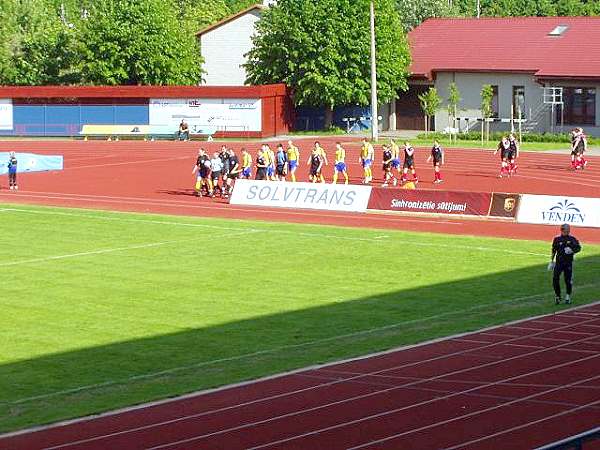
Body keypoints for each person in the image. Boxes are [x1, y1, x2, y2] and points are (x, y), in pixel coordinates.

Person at [549, 223, 581, 305]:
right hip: (559, 263)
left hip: (568, 263)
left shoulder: (572, 239)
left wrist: (572, 250)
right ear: (562, 230)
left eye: (568, 230)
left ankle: (568, 296)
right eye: (566, 230)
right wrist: (551, 261)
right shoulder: (557, 239)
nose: (567, 231)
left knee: (568, 280)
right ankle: (558, 296)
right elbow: (554, 250)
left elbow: (578, 247)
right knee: (555, 279)